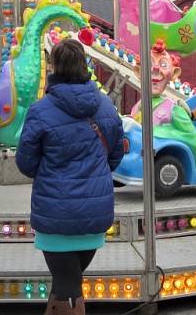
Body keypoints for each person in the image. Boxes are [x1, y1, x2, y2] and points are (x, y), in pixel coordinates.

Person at [15, 39, 123, 315]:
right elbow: (114, 156)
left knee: (67, 286)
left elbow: (26, 163)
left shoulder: (41, 110)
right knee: (67, 284)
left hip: (55, 214)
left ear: (54, 67)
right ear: (85, 65)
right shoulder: (106, 106)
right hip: (94, 214)